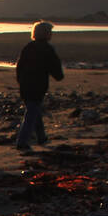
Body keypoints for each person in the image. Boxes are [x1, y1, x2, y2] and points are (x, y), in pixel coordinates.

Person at [15, 20, 64, 152]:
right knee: (32, 111)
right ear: (46, 33)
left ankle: (41, 137)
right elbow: (54, 66)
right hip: (37, 84)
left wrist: (20, 81)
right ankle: (22, 141)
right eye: (50, 32)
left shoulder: (28, 47)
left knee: (35, 110)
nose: (51, 34)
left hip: (25, 84)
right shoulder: (47, 49)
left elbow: (19, 66)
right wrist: (59, 76)